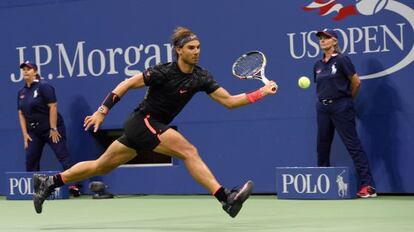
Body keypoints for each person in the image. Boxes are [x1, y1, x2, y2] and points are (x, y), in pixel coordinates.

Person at [33, 27, 278, 216]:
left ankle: (50, 182)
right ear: (179, 50)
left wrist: (261, 93)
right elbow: (126, 84)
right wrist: (102, 111)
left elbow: (230, 101)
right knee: (189, 151)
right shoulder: (162, 72)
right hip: (142, 121)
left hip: (148, 129)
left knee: (101, 166)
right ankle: (225, 198)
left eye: (198, 47)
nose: (196, 51)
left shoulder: (202, 77)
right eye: (191, 47)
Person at [313, 29, 376, 198]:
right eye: (320, 38)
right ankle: (322, 183)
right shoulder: (318, 65)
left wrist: (347, 100)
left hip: (341, 106)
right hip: (322, 108)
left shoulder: (342, 60)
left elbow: (355, 82)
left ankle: (368, 186)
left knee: (353, 145)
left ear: (335, 41)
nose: (322, 40)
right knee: (322, 146)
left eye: (326, 38)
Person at [17, 61, 81, 196]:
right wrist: (25, 134)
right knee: (31, 159)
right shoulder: (22, 92)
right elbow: (21, 113)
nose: (25, 71)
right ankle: (36, 190)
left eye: (28, 69)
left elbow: (53, 106)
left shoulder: (44, 86)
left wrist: (53, 128)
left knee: (63, 156)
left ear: (35, 71)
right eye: (23, 69)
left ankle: (73, 186)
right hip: (34, 132)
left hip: (52, 129)